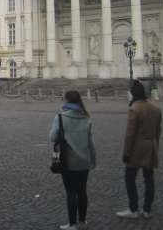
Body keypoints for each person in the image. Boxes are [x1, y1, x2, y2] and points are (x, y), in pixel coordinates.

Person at [50, 90, 96, 230]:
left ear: (66, 100)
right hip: (83, 162)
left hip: (68, 161)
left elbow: (52, 137)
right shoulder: (86, 117)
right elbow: (90, 142)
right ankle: (82, 222)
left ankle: (72, 224)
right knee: (82, 192)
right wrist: (93, 160)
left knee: (71, 192)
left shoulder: (60, 117)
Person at [116, 80, 162, 220]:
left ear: (133, 94)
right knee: (149, 179)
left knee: (130, 179)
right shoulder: (156, 109)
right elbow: (158, 131)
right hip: (151, 147)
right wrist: (155, 146)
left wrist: (126, 152)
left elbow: (130, 134)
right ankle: (147, 210)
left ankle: (133, 209)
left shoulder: (134, 109)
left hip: (136, 149)